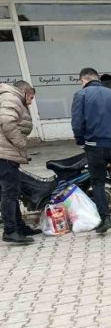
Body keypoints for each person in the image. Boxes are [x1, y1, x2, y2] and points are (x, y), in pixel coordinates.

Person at [71, 67, 111, 233]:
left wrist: (81, 142)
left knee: (98, 182)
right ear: (97, 78)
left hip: (95, 147)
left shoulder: (81, 95)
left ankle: (105, 218)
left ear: (83, 80)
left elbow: (77, 123)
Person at [0, 80, 40, 244]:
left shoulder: (11, 98)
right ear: (24, 92)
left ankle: (19, 227)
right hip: (4, 155)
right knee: (9, 194)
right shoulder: (11, 98)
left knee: (12, 193)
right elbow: (7, 122)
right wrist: (20, 143)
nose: (30, 102)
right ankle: (10, 231)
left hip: (6, 153)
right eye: (30, 98)